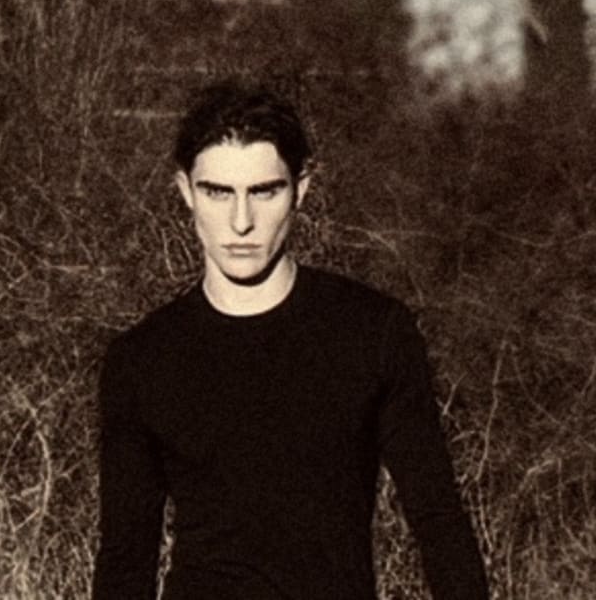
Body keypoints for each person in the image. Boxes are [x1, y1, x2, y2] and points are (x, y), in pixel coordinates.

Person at [92, 83, 489, 600]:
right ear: (185, 191)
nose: (241, 222)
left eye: (264, 191)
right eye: (218, 192)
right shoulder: (142, 361)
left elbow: (438, 521)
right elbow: (125, 560)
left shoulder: (372, 333)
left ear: (301, 189)